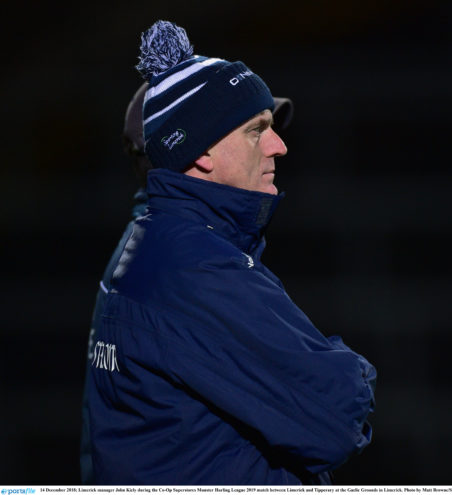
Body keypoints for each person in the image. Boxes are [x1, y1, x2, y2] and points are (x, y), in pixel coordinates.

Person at [83, 20, 376, 485]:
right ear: (200, 152)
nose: (279, 145)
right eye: (256, 129)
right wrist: (344, 365)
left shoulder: (161, 245)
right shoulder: (191, 265)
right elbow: (338, 412)